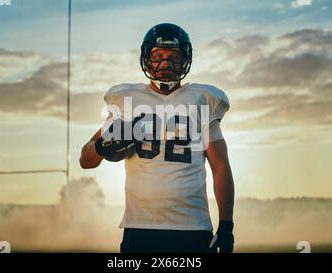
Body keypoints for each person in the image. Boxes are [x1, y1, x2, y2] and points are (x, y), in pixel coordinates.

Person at [79, 23, 234, 253]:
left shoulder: (202, 99)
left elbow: (220, 165)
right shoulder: (127, 99)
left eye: (174, 56)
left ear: (185, 60)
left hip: (192, 227)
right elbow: (86, 160)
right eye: (158, 56)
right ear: (146, 59)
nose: (165, 63)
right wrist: (103, 145)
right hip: (139, 227)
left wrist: (226, 225)